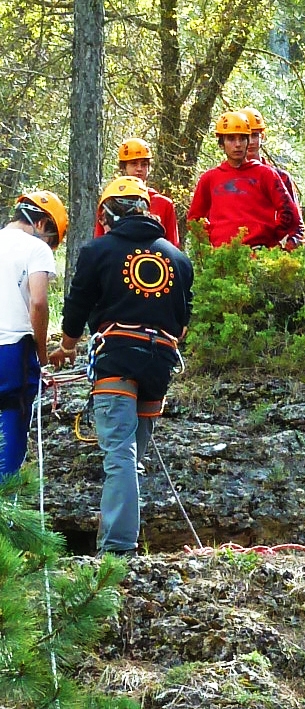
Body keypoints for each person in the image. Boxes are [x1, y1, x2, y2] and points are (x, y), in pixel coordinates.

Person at [49, 177, 193, 556]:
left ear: (108, 212)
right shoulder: (177, 258)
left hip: (117, 357)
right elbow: (182, 321)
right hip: (159, 362)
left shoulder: (99, 250)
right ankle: (122, 539)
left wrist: (67, 345)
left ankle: (117, 548)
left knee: (119, 455)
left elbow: (78, 303)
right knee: (132, 457)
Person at [0, 191, 65, 480]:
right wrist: (41, 353)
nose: (49, 244)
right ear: (41, 224)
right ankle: (7, 512)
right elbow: (38, 302)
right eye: (51, 238)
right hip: (14, 349)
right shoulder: (36, 248)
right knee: (13, 423)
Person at [186, 111, 304, 249]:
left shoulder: (267, 174)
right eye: (231, 139)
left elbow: (290, 216)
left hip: (259, 256)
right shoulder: (209, 179)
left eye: (242, 138)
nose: (237, 144)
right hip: (222, 258)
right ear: (221, 144)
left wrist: (271, 238)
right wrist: (209, 244)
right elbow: (194, 220)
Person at [94, 139, 179, 248]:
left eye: (144, 164)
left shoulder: (164, 204)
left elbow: (173, 245)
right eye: (133, 164)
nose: (139, 169)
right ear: (123, 167)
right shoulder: (110, 201)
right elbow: (99, 241)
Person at [241, 107, 305, 248]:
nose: (251, 141)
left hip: (269, 255)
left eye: (255, 135)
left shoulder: (281, 178)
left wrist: (286, 250)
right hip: (233, 254)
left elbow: (298, 228)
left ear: (262, 136)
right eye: (246, 136)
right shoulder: (225, 180)